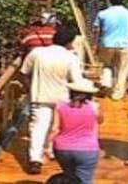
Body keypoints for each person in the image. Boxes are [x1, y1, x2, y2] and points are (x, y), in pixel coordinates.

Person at [19, 26, 84, 175]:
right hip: (62, 98)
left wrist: (30, 90)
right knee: (57, 128)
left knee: (37, 127)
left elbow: (23, 73)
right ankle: (50, 150)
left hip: (39, 96)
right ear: (69, 42)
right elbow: (77, 81)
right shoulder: (71, 57)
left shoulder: (37, 53)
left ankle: (35, 158)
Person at [45, 78, 103, 184]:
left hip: (62, 148)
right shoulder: (94, 106)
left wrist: (46, 146)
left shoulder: (59, 105)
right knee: (84, 179)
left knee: (68, 178)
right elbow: (100, 120)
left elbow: (55, 128)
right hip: (87, 149)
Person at [92, 0, 128, 100]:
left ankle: (106, 83)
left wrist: (95, 44)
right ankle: (117, 94)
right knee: (122, 68)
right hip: (124, 44)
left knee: (106, 65)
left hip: (106, 43)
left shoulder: (102, 13)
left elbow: (96, 30)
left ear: (110, 1)